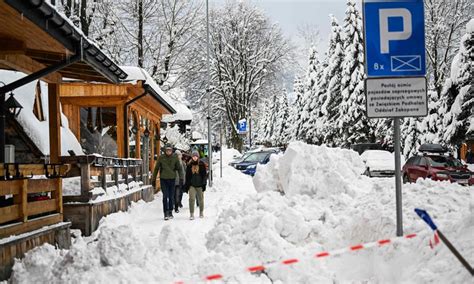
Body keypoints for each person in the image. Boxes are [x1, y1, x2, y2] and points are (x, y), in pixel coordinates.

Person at [152, 145, 184, 220]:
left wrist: (181, 179)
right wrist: (153, 179)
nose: (168, 151)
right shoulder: (161, 158)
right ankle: (165, 212)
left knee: (171, 196)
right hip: (164, 179)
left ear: (172, 150)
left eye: (170, 150)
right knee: (165, 196)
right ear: (165, 151)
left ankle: (170, 211)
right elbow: (156, 169)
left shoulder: (175, 157)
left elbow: (179, 169)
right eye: (167, 150)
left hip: (172, 179)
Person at [184, 150, 207, 220]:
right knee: (191, 199)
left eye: (196, 156)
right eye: (193, 156)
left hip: (200, 185)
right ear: (192, 157)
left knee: (201, 199)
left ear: (198, 157)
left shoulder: (201, 164)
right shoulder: (189, 165)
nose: (195, 157)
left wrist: (204, 184)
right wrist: (187, 185)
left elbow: (204, 175)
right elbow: (187, 176)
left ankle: (201, 212)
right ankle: (191, 214)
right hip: (192, 185)